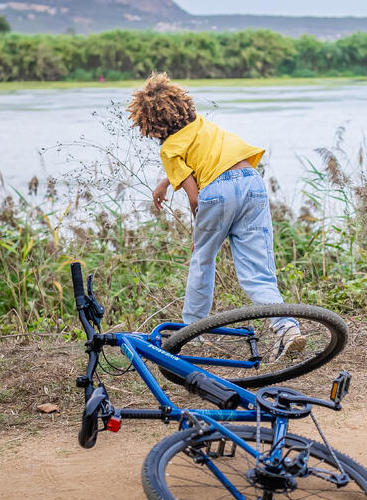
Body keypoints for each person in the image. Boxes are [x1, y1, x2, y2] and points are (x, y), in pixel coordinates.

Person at [126, 72, 304, 355]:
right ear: (181, 105)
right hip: (251, 181)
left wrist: (202, 230)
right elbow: (199, 157)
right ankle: (286, 327)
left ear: (151, 125)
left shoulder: (168, 148)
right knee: (258, 272)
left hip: (218, 193)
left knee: (202, 259)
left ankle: (192, 334)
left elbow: (195, 197)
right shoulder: (201, 125)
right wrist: (164, 183)